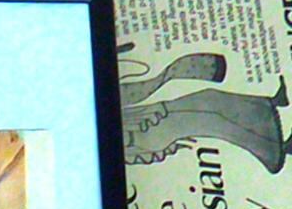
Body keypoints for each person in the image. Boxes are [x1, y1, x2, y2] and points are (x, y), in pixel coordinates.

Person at [118, 48, 292, 172]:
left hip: (153, 123)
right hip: (150, 130)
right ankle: (274, 150)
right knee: (218, 121)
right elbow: (126, 142)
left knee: (210, 100)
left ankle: (269, 103)